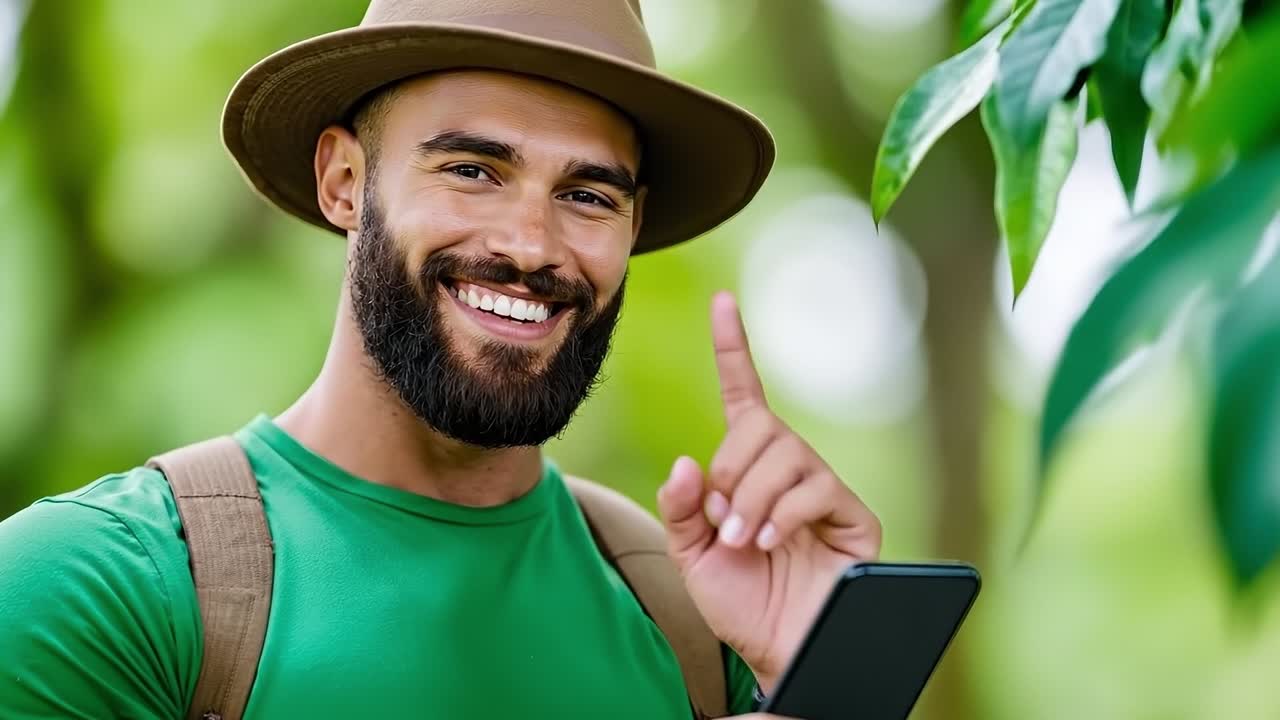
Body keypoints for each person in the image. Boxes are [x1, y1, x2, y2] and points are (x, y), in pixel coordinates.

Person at [0, 0, 882, 717]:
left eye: (585, 195)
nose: (532, 245)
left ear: (634, 229)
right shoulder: (96, 590)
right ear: (345, 182)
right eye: (471, 170)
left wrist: (830, 676)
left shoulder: (698, 621)